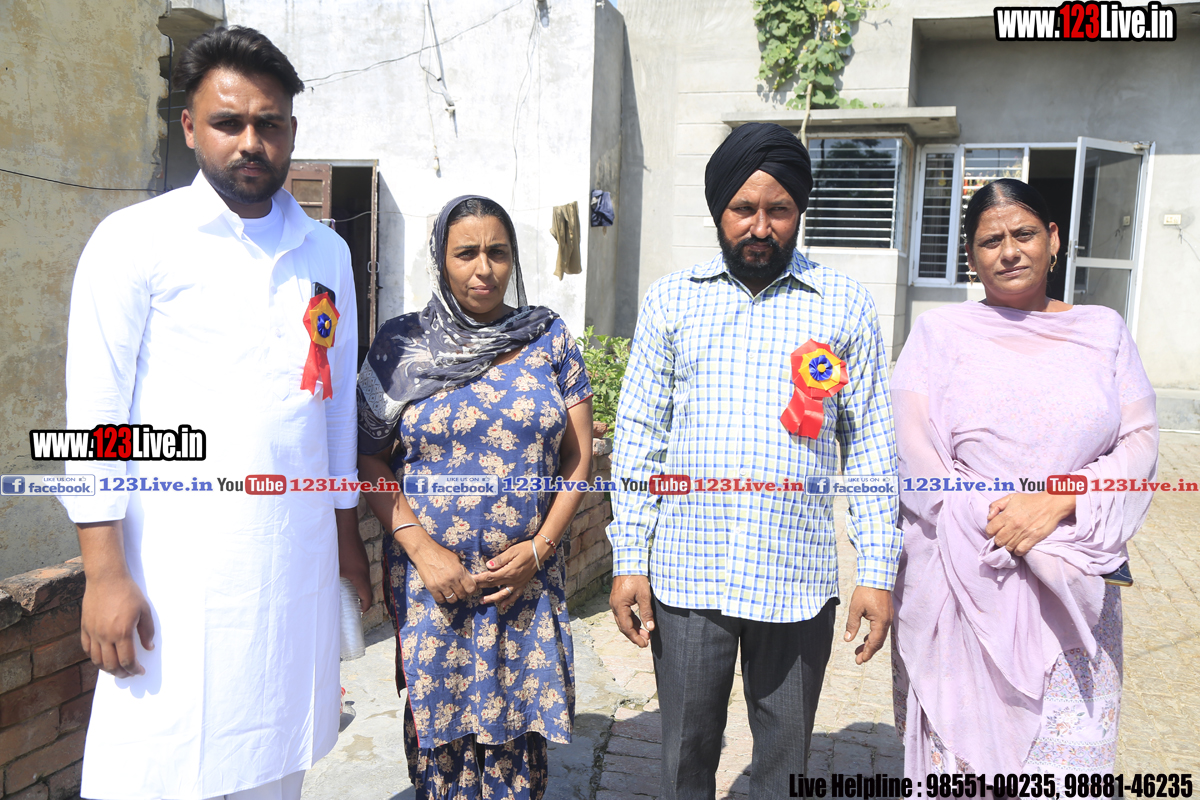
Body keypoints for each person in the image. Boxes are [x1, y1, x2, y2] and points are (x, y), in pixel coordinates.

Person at [61, 26, 371, 800]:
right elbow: (96, 416)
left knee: (276, 765)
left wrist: (346, 543)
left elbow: (332, 412)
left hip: (292, 569)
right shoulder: (136, 242)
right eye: (228, 122)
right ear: (191, 127)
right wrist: (104, 573)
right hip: (172, 574)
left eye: (269, 123)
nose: (250, 142)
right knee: (157, 764)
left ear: (291, 131)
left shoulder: (326, 254)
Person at [608, 122, 901, 798]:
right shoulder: (672, 301)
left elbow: (871, 449)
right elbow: (639, 439)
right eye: (744, 209)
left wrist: (876, 572)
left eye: (779, 210)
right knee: (684, 758)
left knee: (785, 765)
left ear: (800, 210)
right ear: (719, 209)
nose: (760, 227)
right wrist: (629, 559)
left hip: (795, 578)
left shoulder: (844, 305)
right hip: (687, 575)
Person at [890, 178, 1158, 777]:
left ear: (1053, 239)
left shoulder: (1103, 330)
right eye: (991, 241)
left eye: (1024, 234)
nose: (1009, 251)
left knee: (1068, 762)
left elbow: (1140, 442)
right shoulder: (939, 334)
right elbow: (912, 451)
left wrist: (1058, 500)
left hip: (1072, 579)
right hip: (967, 574)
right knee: (961, 767)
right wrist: (993, 516)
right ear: (971, 256)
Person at [357, 195, 594, 799]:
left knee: (518, 752)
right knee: (443, 752)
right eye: (466, 253)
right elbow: (367, 457)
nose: (484, 268)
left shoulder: (548, 337)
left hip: (524, 584)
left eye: (498, 252)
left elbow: (578, 459)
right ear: (441, 260)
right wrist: (425, 553)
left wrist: (540, 549)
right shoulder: (400, 344)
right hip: (435, 586)